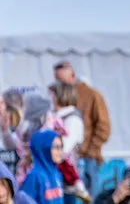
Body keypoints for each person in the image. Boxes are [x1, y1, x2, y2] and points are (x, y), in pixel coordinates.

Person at [54, 62, 111, 197]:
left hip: (88, 159)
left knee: (89, 197)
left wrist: (90, 150)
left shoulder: (92, 95)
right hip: (67, 161)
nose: (59, 83)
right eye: (57, 80)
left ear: (72, 76)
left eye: (62, 79)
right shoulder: (60, 98)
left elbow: (104, 127)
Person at [49, 82, 91, 203]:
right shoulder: (53, 117)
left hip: (67, 179)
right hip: (56, 175)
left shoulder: (72, 119)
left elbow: (65, 148)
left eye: (52, 95)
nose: (49, 99)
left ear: (61, 96)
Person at [20, 130, 65, 204]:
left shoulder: (57, 174)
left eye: (61, 146)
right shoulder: (34, 176)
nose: (60, 151)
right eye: (56, 147)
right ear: (44, 148)